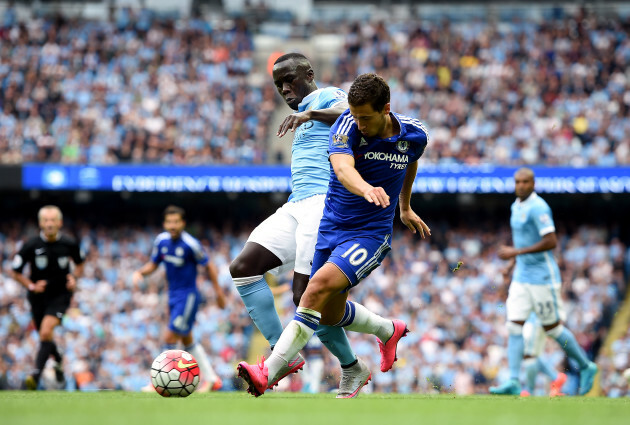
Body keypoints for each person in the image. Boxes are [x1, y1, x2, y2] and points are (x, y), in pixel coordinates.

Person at [237, 72, 430, 397]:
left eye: (365, 117)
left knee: (313, 291)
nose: (359, 124)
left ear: (386, 108)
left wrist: (405, 206)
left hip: (369, 234)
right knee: (328, 314)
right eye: (354, 116)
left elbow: (411, 159)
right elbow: (342, 169)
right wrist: (366, 188)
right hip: (332, 226)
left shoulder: (415, 133)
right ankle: (387, 329)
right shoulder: (346, 127)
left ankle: (267, 371)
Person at [229, 52, 370, 397]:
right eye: (278, 84)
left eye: (289, 79)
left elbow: (354, 116)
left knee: (304, 296)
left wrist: (310, 112)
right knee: (243, 268)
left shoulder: (327, 96)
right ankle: (284, 354)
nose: (284, 88)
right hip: (296, 205)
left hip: (324, 204)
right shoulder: (301, 112)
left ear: (309, 73)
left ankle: (351, 366)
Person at [489, 167, 598, 396]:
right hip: (521, 276)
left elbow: (551, 241)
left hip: (542, 278)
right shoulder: (515, 206)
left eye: (525, 182)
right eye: (517, 182)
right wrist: (512, 263)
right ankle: (514, 381)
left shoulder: (539, 207)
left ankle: (587, 365)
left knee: (553, 329)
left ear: (533, 184)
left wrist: (516, 252)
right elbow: (523, 239)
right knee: (514, 325)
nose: (520, 186)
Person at [132, 205, 225, 392]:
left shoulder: (191, 244)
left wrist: (219, 293)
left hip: (188, 296)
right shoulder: (161, 241)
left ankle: (160, 381)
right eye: (169, 222)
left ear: (183, 223)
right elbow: (154, 263)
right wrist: (140, 272)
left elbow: (209, 266)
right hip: (172, 295)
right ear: (164, 223)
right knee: (188, 339)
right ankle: (212, 379)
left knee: (169, 335)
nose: (172, 225)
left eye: (176, 222)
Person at [11, 205, 85, 390]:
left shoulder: (69, 243)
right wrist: (31, 285)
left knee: (45, 331)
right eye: (46, 220)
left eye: (53, 220)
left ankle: (34, 377)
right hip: (37, 296)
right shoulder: (31, 245)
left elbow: (80, 264)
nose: (50, 224)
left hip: (60, 295)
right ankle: (58, 358)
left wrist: (74, 278)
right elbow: (16, 272)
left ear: (59, 223)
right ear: (40, 223)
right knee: (44, 335)